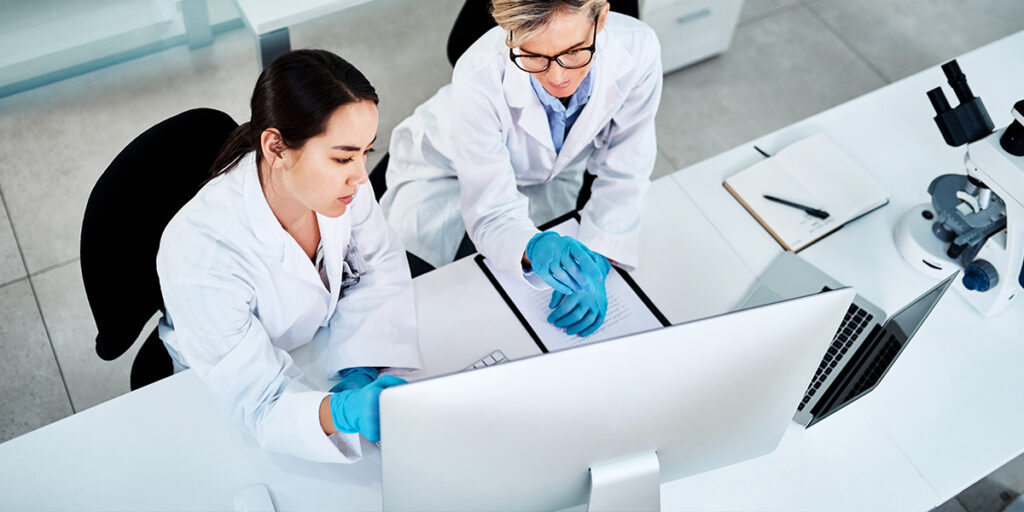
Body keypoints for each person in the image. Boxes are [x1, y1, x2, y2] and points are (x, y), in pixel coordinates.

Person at [156, 50, 421, 463]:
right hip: (221, 396)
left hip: (319, 350)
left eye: (365, 153)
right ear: (276, 147)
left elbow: (379, 264)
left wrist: (361, 367)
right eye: (342, 157)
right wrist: (340, 413)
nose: (360, 175)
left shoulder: (340, 187)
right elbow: (258, 403)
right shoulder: (201, 254)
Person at [380, 0, 662, 337]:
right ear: (509, 32)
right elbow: (492, 208)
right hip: (443, 169)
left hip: (546, 176)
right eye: (534, 56)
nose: (557, 78)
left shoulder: (638, 50)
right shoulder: (478, 74)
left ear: (600, 18)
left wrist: (601, 254)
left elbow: (627, 167)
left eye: (574, 52)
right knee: (430, 301)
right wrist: (530, 248)